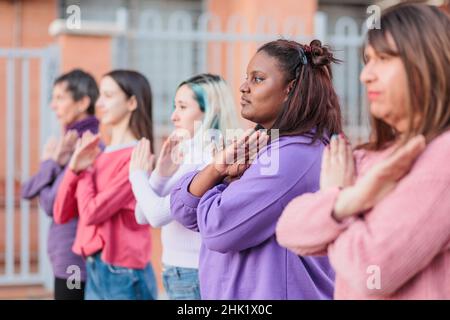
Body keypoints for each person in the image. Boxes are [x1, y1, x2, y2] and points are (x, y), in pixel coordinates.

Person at [276, 3, 450, 299]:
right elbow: (290, 231)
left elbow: (370, 270)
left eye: (383, 59)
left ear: (427, 63)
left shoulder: (441, 157)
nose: (365, 75)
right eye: (367, 60)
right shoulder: (370, 155)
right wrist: (350, 198)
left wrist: (335, 207)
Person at [170, 39, 342, 299]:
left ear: (290, 89)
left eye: (258, 79)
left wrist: (222, 185)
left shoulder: (293, 156)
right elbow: (183, 211)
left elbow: (218, 230)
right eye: (246, 78)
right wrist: (217, 169)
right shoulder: (264, 146)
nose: (243, 87)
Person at [129, 73, 241, 300]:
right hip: (179, 272)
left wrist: (136, 175)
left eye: (182, 107)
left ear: (209, 110)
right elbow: (142, 215)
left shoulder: (207, 155)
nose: (173, 116)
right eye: (174, 106)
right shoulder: (190, 152)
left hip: (193, 273)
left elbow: (156, 216)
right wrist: (160, 173)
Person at [53, 70, 157, 300]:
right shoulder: (98, 153)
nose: (99, 103)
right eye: (100, 95)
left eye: (108, 96)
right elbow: (60, 213)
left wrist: (85, 171)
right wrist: (74, 169)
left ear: (131, 102)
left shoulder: (137, 155)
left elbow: (91, 213)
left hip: (121, 271)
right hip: (95, 267)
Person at [21, 69, 99, 300]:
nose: (53, 105)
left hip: (75, 262)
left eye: (60, 98)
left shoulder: (87, 148)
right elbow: (27, 190)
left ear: (83, 102)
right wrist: (53, 163)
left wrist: (48, 162)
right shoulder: (67, 147)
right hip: (65, 258)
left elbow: (51, 204)